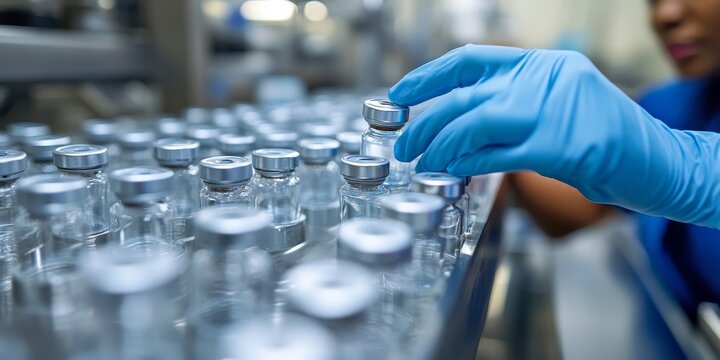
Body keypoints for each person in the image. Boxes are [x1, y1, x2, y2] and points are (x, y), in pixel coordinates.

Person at [388, 0, 720, 319]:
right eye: (652, 0)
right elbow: (582, 210)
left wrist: (695, 172)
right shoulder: (675, 102)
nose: (665, 14)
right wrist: (510, 149)